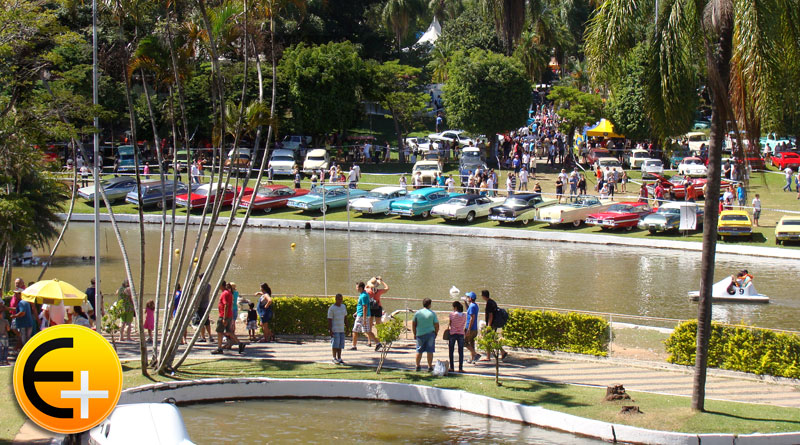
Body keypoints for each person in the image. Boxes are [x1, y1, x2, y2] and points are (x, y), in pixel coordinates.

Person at [212, 281, 245, 355]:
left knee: (219, 332)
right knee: (229, 332)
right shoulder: (229, 293)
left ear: (221, 285)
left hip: (224, 315)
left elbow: (226, 305)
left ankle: (219, 348)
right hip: (229, 315)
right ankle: (240, 344)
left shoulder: (224, 293)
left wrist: (224, 318)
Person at [412, 298, 439, 372]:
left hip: (420, 334)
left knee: (419, 350)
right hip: (430, 334)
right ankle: (430, 366)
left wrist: (415, 333)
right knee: (430, 351)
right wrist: (436, 333)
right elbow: (436, 325)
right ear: (429, 304)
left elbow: (414, 324)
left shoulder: (418, 313)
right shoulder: (432, 313)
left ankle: (417, 365)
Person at [481, 290, 507, 361]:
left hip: (491, 324)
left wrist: (488, 326)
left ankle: (488, 357)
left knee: (488, 339)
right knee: (492, 339)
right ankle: (502, 352)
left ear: (483, 296)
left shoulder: (489, 303)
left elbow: (491, 315)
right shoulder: (493, 302)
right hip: (494, 324)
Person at [350, 282, 376, 350]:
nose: (356, 288)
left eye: (357, 287)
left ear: (360, 288)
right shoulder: (363, 294)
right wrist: (357, 312)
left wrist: (364, 319)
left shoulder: (364, 296)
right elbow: (361, 306)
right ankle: (378, 343)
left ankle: (354, 346)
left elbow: (365, 307)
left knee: (357, 330)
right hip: (360, 314)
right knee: (365, 331)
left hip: (362, 316)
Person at [366, 277, 389, 351]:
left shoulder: (367, 291)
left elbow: (364, 288)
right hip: (378, 308)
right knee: (378, 325)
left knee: (369, 325)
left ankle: (369, 341)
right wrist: (382, 281)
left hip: (371, 308)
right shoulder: (379, 291)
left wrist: (368, 286)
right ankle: (378, 340)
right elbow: (387, 288)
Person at [327, 293, 348, 364]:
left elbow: (345, 317)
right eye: (339, 299)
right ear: (336, 299)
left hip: (341, 329)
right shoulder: (332, 308)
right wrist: (330, 330)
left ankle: (339, 357)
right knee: (335, 344)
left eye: (341, 299)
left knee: (340, 345)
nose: (340, 300)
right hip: (335, 329)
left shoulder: (343, 306)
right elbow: (329, 319)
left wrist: (347, 327)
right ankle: (334, 357)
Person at [448, 301, 466, 373]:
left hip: (453, 333)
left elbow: (450, 323)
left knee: (451, 350)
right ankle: (460, 368)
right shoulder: (464, 315)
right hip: (461, 333)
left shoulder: (452, 314)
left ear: (455, 307)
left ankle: (452, 367)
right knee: (461, 351)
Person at [464, 292, 481, 363]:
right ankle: (472, 358)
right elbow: (469, 310)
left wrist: (468, 329)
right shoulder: (474, 305)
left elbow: (472, 318)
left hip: (470, 328)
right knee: (471, 343)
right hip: (474, 328)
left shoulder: (472, 306)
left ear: (470, 298)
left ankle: (476, 354)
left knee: (464, 342)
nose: (467, 298)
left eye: (468, 297)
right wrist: (465, 302)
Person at [196, 274, 213, 342]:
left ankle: (203, 337)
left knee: (201, 322)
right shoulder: (208, 285)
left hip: (201, 305)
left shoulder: (200, 286)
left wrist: (195, 305)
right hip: (206, 305)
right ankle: (210, 336)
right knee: (207, 322)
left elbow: (198, 296)